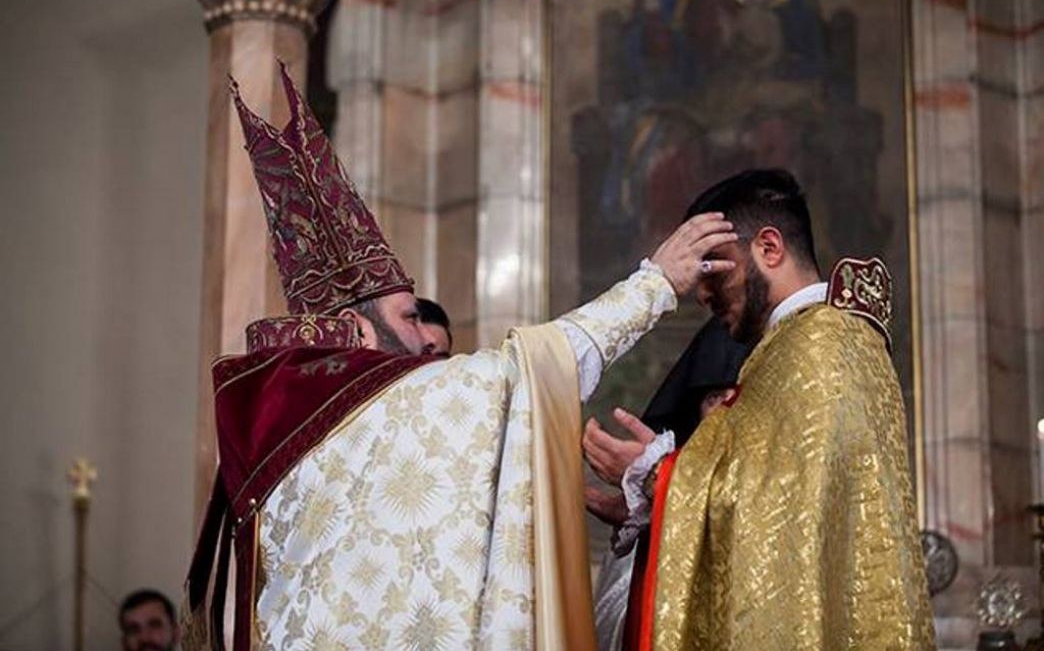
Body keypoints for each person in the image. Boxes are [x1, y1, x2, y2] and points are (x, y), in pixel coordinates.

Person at [182, 63, 739, 651]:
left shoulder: (307, 434)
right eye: (409, 317)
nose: (428, 339)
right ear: (353, 330)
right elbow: (524, 372)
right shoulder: (376, 407)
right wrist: (656, 283)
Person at [583, 169, 935, 649]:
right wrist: (653, 501)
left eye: (713, 267)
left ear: (769, 248)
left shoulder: (818, 345)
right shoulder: (803, 343)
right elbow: (775, 505)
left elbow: (771, 513)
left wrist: (655, 476)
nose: (701, 292)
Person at [587, 316, 748, 651]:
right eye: (716, 397)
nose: (728, 410)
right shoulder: (654, 503)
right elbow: (614, 624)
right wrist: (659, 514)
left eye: (742, 396)